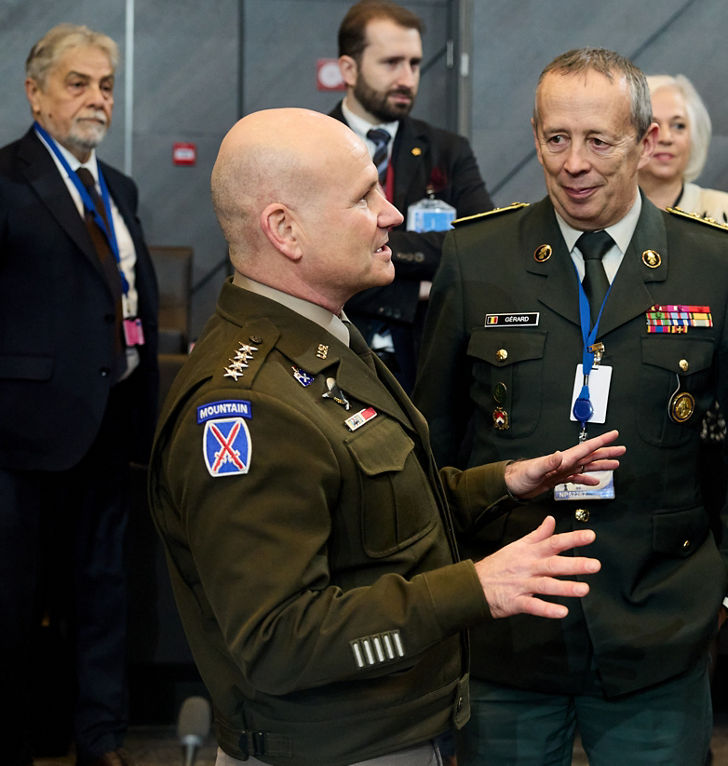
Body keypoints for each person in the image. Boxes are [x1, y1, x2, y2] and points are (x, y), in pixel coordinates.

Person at [148, 107, 625, 766]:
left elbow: (377, 515)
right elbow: (279, 641)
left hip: (388, 732)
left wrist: (505, 483)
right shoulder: (250, 404)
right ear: (284, 230)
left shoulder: (318, 340)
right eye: (364, 196)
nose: (393, 214)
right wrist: (474, 588)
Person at [414, 48, 728, 766]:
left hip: (658, 630)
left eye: (598, 141)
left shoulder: (714, 263)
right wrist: (451, 587)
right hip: (509, 634)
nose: (573, 163)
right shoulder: (476, 258)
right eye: (556, 138)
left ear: (644, 143)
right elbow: (433, 445)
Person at [0, 24, 159, 766]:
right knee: (14, 600)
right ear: (35, 94)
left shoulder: (118, 187)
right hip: (23, 436)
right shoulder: (8, 178)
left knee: (103, 595)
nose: (96, 98)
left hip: (109, 426)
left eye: (106, 85)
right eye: (78, 83)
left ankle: (102, 741)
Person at [330, 0, 493, 388]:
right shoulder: (310, 146)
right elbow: (311, 262)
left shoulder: (448, 151)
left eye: (415, 64)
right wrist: (417, 289)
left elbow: (480, 247)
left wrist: (369, 252)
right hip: (333, 358)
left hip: (427, 366)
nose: (407, 78)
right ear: (349, 69)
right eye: (391, 63)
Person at [639, 73, 728, 336]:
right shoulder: (609, 213)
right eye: (653, 126)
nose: (667, 137)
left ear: (694, 137)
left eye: (679, 126)